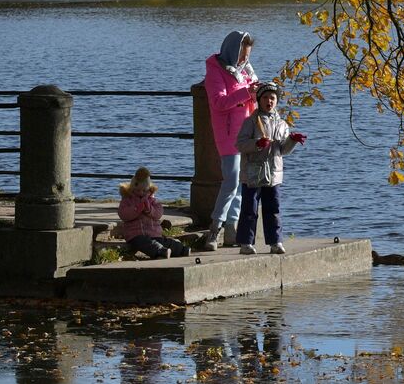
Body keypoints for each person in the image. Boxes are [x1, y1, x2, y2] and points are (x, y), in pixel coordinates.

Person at [233, 81, 307, 254]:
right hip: (252, 173)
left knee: (273, 209)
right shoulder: (251, 121)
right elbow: (240, 144)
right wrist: (257, 144)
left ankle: (275, 242)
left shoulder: (282, 124)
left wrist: (292, 141)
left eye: (272, 98)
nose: (269, 101)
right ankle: (246, 243)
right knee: (249, 209)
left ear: (277, 101)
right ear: (259, 100)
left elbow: (283, 150)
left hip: (273, 174)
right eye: (265, 97)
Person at [201, 29, 258, 251]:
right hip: (227, 135)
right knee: (231, 182)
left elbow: (251, 99)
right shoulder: (215, 71)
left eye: (247, 56)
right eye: (242, 56)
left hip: (246, 134)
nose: (244, 60)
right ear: (233, 52)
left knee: (242, 183)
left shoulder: (246, 72)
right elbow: (218, 102)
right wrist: (246, 93)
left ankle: (232, 230)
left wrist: (257, 94)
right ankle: (215, 228)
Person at [117, 167, 188, 260]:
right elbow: (123, 214)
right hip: (134, 234)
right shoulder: (127, 200)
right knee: (145, 243)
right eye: (138, 190)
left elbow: (158, 213)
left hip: (153, 232)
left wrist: (149, 210)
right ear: (133, 188)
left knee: (163, 241)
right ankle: (160, 251)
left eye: (144, 190)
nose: (141, 193)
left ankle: (181, 249)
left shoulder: (152, 200)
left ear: (148, 189)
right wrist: (136, 209)